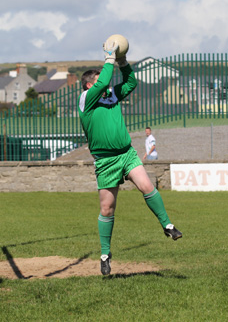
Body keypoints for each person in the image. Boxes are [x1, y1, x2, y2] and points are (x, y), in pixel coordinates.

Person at [78, 39, 182, 276]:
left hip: (126, 153)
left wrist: (123, 62)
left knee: (147, 186)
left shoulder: (110, 95)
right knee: (107, 209)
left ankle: (167, 225)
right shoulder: (86, 100)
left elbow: (131, 82)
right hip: (105, 161)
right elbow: (104, 79)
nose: (104, 84)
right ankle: (105, 254)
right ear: (88, 86)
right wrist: (109, 59)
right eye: (97, 82)